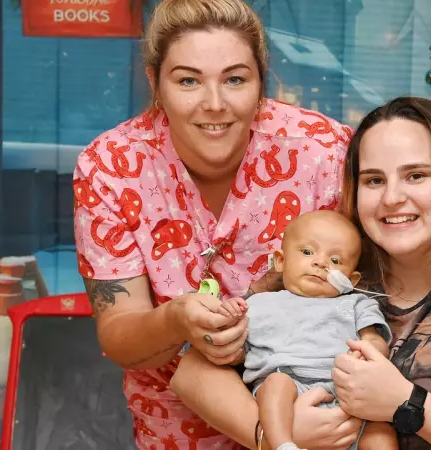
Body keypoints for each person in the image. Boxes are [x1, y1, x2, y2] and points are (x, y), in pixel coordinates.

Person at [172, 96, 431, 450]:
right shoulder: (331, 270)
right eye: (374, 180)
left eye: (416, 175)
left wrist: (407, 404)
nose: (393, 198)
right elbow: (194, 372)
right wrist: (271, 433)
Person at [71, 0, 361, 448]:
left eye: (235, 79)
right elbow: (119, 336)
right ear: (155, 82)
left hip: (315, 414)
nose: (214, 104)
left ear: (262, 81)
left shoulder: (324, 153)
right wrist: (174, 320)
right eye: (188, 80)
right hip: (173, 427)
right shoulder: (110, 168)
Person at [212, 210, 395, 450]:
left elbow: (374, 338)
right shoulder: (257, 305)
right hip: (289, 389)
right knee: (275, 384)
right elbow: (238, 354)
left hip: (347, 393)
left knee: (381, 433)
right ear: (281, 261)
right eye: (308, 252)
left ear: (352, 280)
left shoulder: (356, 304)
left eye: (336, 261)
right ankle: (283, 445)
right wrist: (229, 323)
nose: (320, 263)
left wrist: (367, 350)